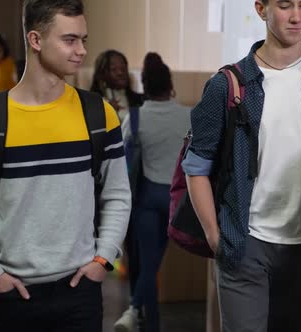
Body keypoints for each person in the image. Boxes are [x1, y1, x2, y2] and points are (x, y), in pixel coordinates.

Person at [0, 1, 131, 331]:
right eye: (70, 40)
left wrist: (103, 259)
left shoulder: (99, 115)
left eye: (84, 40)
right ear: (35, 40)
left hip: (80, 293)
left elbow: (118, 195)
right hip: (8, 297)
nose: (81, 51)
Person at [181, 0, 301, 331]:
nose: (297, 16)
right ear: (261, 9)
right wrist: (217, 238)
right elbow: (197, 166)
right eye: (286, 6)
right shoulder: (229, 84)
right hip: (245, 242)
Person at [115, 52, 190, 332]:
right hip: (178, 200)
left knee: (147, 261)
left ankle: (139, 314)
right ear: (170, 84)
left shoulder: (134, 118)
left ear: (144, 85)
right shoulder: (188, 116)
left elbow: (120, 158)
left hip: (145, 198)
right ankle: (137, 312)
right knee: (153, 264)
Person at [90, 49, 144, 122]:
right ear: (101, 74)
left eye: (123, 68)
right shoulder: (93, 103)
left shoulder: (140, 99)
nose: (120, 73)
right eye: (113, 69)